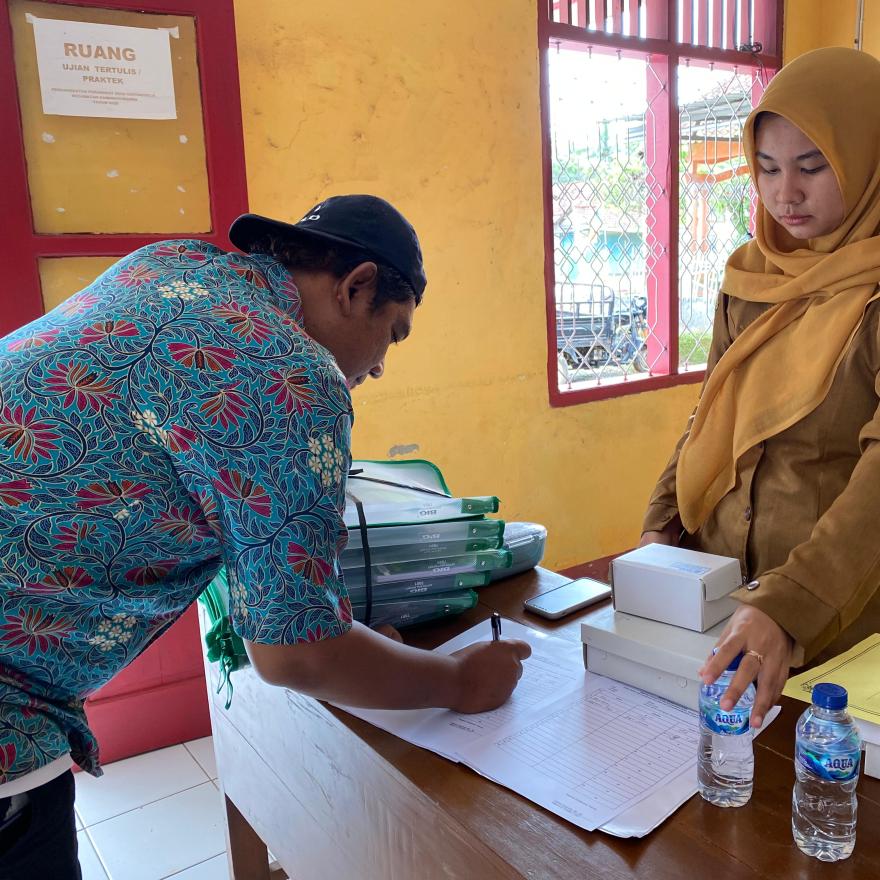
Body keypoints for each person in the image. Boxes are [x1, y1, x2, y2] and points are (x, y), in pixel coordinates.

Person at [0, 194, 530, 879]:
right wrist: (458, 682)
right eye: (392, 334)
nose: (378, 367)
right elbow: (295, 657)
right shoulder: (291, 376)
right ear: (356, 287)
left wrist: (349, 642)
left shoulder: (167, 266)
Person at [641, 47, 880, 733]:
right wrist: (661, 522)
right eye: (768, 169)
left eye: (813, 167)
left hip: (835, 616)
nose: (785, 194)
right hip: (723, 596)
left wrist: (790, 602)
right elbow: (711, 408)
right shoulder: (752, 276)